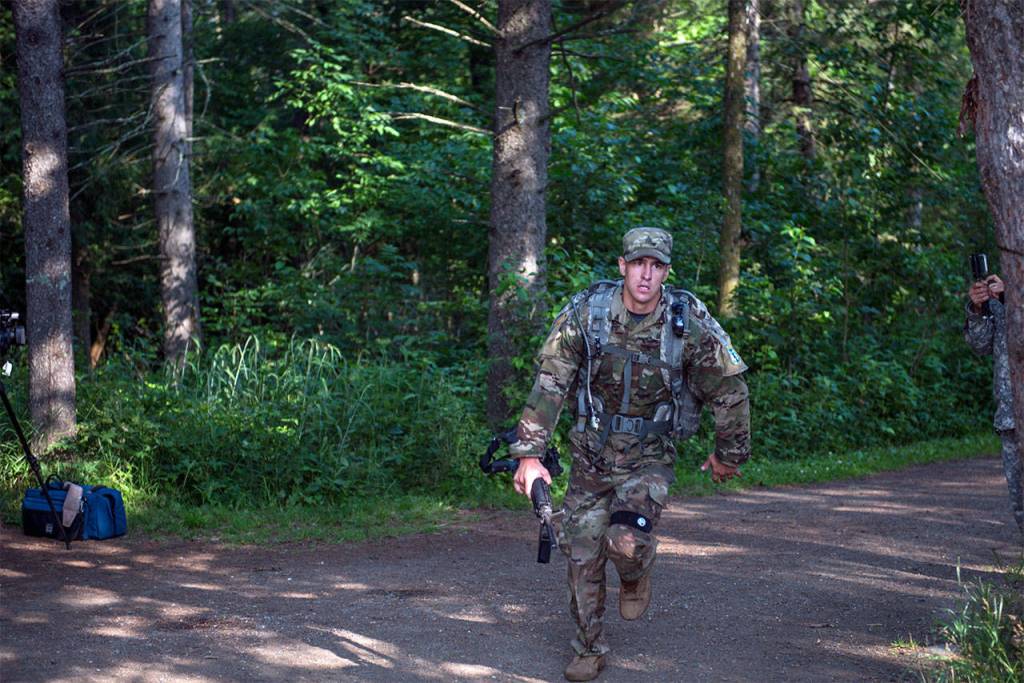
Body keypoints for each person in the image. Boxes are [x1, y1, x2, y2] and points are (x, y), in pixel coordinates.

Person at [508, 227, 751, 681]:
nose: (646, 274)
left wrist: (729, 454)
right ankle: (588, 646)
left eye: (656, 266)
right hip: (591, 455)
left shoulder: (687, 323)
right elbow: (551, 381)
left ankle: (636, 569)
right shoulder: (588, 314)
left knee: (624, 541)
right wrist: (529, 453)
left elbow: (730, 389)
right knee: (579, 548)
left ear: (666, 272)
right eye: (638, 263)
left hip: (649, 457)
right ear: (622, 266)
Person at [964, 272, 1022, 537]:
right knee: (1020, 501)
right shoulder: (1000, 301)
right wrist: (978, 308)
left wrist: (1016, 296)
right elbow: (980, 345)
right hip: (1010, 416)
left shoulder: (1013, 295)